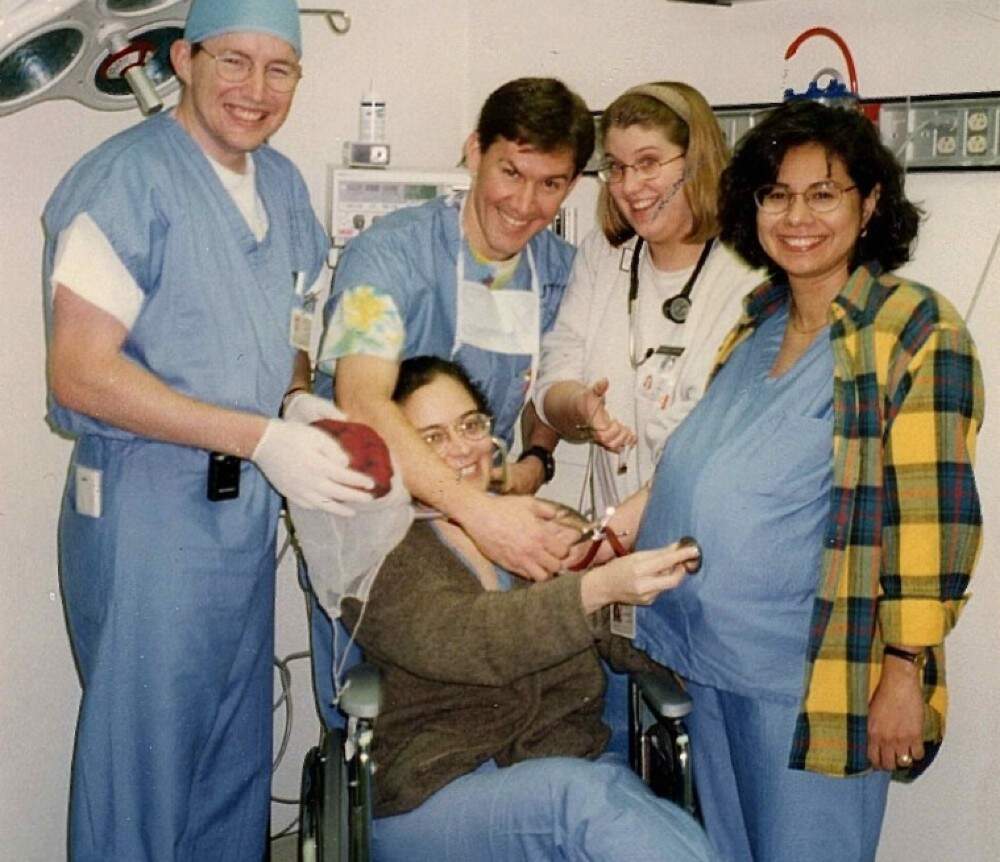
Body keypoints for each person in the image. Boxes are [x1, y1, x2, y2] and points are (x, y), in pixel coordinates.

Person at [608, 100, 984, 861]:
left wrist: (903, 671)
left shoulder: (912, 328)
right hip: (709, 661)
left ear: (869, 204)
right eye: (777, 194)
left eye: (824, 194)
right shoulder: (760, 320)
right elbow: (708, 463)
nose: (797, 216)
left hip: (813, 678)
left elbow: (932, 518)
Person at [41, 2, 375, 859]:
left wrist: (297, 402)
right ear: (184, 59)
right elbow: (81, 371)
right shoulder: (126, 180)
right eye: (234, 61)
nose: (256, 89)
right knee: (142, 777)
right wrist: (258, 438)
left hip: (240, 515)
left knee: (231, 767)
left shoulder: (283, 187)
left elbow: (291, 328)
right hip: (149, 510)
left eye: (279, 69)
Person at [335, 356, 713, 862]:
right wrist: (593, 588)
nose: (462, 448)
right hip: (438, 792)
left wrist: (670, 655)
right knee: (589, 805)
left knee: (652, 820)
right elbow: (471, 639)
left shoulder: (540, 523)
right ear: (396, 450)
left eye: (470, 425)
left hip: (567, 770)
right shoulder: (380, 551)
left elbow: (616, 630)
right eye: (432, 437)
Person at [307, 78, 593, 727]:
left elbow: (545, 386)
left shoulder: (560, 271)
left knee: (504, 700)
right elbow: (361, 399)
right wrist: (478, 512)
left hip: (481, 521)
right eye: (510, 172)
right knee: (390, 724)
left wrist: (535, 462)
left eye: (550, 184)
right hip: (376, 530)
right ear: (474, 152)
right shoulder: (391, 254)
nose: (525, 204)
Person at [536, 81, 763, 507]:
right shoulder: (603, 255)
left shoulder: (749, 274)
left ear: (695, 162)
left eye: (648, 163)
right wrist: (580, 407)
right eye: (617, 167)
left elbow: (716, 439)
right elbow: (553, 379)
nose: (629, 185)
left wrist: (625, 528)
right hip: (616, 530)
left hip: (698, 527)